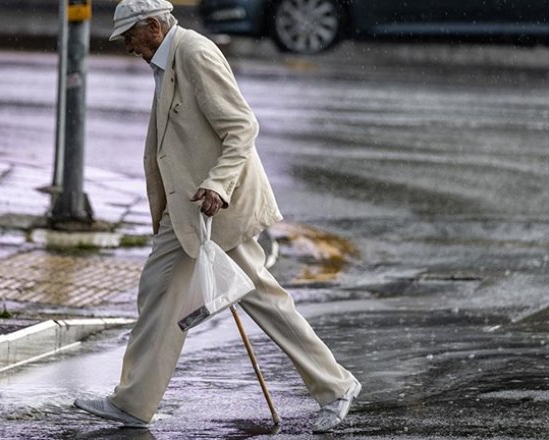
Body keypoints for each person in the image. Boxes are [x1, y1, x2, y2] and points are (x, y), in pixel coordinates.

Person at [73, 0, 361, 433]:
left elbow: (241, 126)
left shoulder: (194, 53)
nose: (127, 47)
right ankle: (134, 401)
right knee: (166, 296)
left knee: (251, 300)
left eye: (130, 36)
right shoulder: (167, 59)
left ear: (152, 26)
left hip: (213, 208)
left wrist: (219, 185)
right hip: (190, 209)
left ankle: (336, 386)